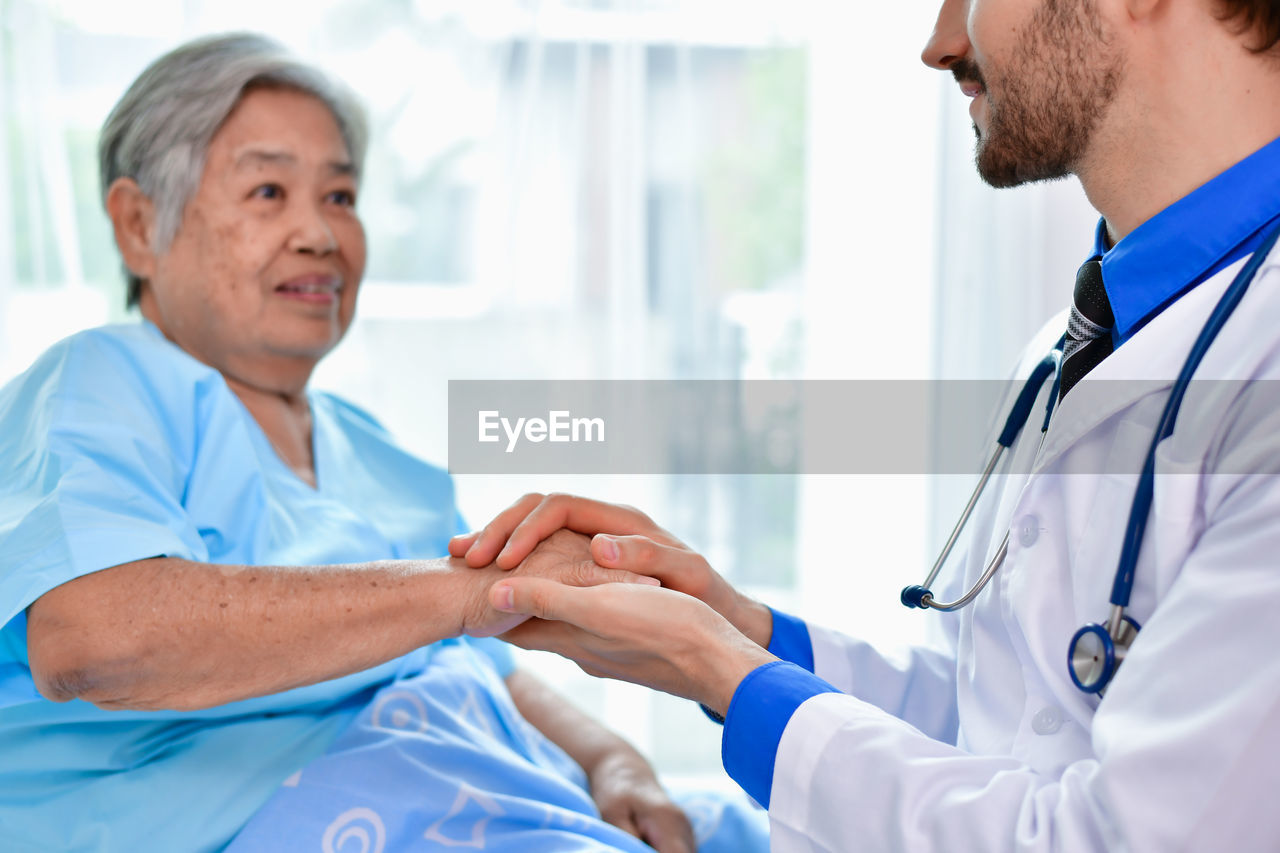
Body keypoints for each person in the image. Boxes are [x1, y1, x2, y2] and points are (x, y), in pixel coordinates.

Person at [452, 0, 1280, 849]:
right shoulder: (1094, 333)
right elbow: (1013, 726)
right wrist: (739, 630)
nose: (941, 44)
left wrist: (726, 672)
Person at [0, 33, 768, 853]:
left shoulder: (375, 451)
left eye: (340, 196)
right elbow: (90, 640)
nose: (319, 234)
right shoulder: (98, 385)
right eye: (268, 191)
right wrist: (468, 593)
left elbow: (486, 665)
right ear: (140, 224)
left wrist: (613, 759)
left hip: (480, 785)